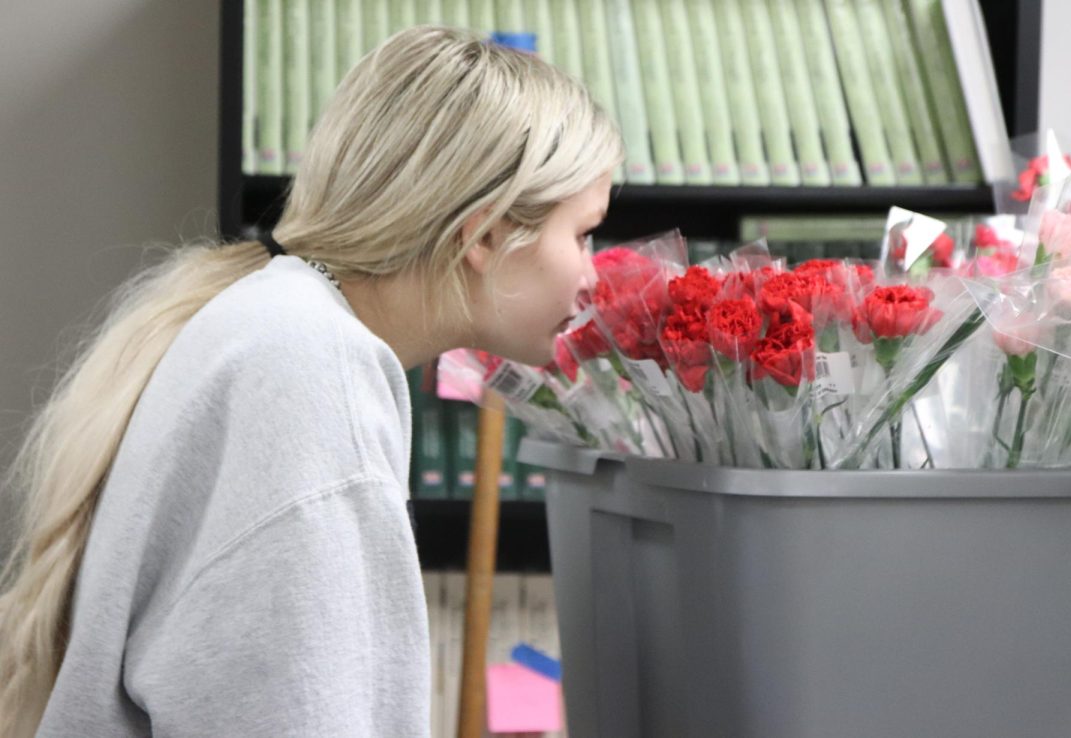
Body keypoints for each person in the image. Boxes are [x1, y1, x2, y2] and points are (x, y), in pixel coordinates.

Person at [0, 25, 622, 737]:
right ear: (483, 237)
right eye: (581, 234)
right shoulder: (313, 379)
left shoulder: (275, 321)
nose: (591, 274)